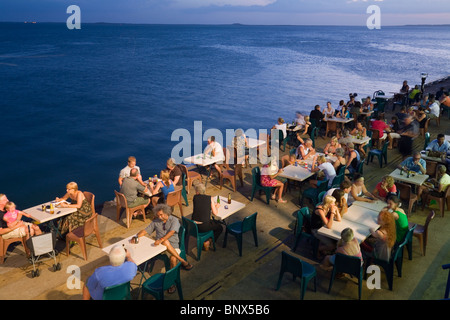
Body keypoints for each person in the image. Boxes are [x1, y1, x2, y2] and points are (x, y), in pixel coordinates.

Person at [132, 204, 193, 276]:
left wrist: (161, 240)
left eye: (161, 215)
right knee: (164, 242)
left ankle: (171, 280)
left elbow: (172, 232)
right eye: (158, 215)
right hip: (160, 246)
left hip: (173, 244)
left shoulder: (174, 220)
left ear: (166, 212)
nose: (160, 217)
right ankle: (182, 261)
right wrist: (137, 236)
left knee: (173, 258)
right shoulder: (155, 222)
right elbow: (146, 231)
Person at [191, 183, 223, 250]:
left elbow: (201, 206)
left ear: (197, 191)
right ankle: (208, 241)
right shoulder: (209, 198)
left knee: (213, 222)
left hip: (194, 226)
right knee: (220, 227)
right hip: (204, 226)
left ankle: (208, 240)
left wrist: (211, 205)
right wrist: (216, 207)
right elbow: (215, 213)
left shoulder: (195, 198)